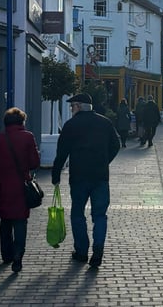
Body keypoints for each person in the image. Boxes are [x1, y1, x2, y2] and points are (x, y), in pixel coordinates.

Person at [52, 93, 120, 268]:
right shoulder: (105, 122)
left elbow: (62, 152)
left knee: (77, 214)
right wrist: (105, 161)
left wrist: (56, 174)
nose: (71, 109)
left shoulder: (71, 125)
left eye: (72, 106)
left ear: (78, 106)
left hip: (79, 177)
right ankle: (98, 250)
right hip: (100, 176)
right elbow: (116, 145)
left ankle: (82, 252)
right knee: (99, 215)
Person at [0, 107, 40, 273]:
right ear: (22, 121)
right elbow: (34, 163)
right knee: (20, 221)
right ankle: (18, 256)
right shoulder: (28, 137)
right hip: (21, 186)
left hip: (2, 187)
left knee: (5, 220)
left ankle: (6, 255)